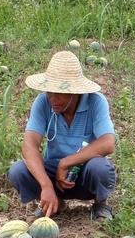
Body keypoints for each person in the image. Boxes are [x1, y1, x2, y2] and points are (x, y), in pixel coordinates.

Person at [8, 51, 116, 220]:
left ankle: (100, 204)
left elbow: (107, 143)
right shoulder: (42, 102)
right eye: (49, 92)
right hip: (52, 176)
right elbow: (29, 145)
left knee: (100, 168)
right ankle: (54, 202)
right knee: (18, 171)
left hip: (83, 173)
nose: (52, 98)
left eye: (59, 93)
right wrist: (46, 185)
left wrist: (66, 163)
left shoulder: (96, 102)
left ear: (74, 92)